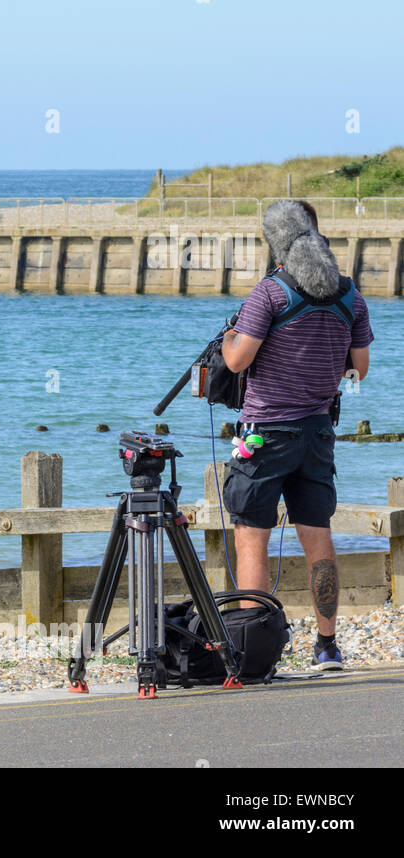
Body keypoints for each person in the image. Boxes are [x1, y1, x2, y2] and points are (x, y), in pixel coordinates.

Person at [220, 200, 373, 671]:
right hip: (318, 433)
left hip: (266, 432)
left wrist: (229, 336)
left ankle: (253, 651)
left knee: (251, 535)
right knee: (317, 535)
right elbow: (360, 369)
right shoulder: (350, 296)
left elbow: (236, 362)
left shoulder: (270, 293)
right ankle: (327, 645)